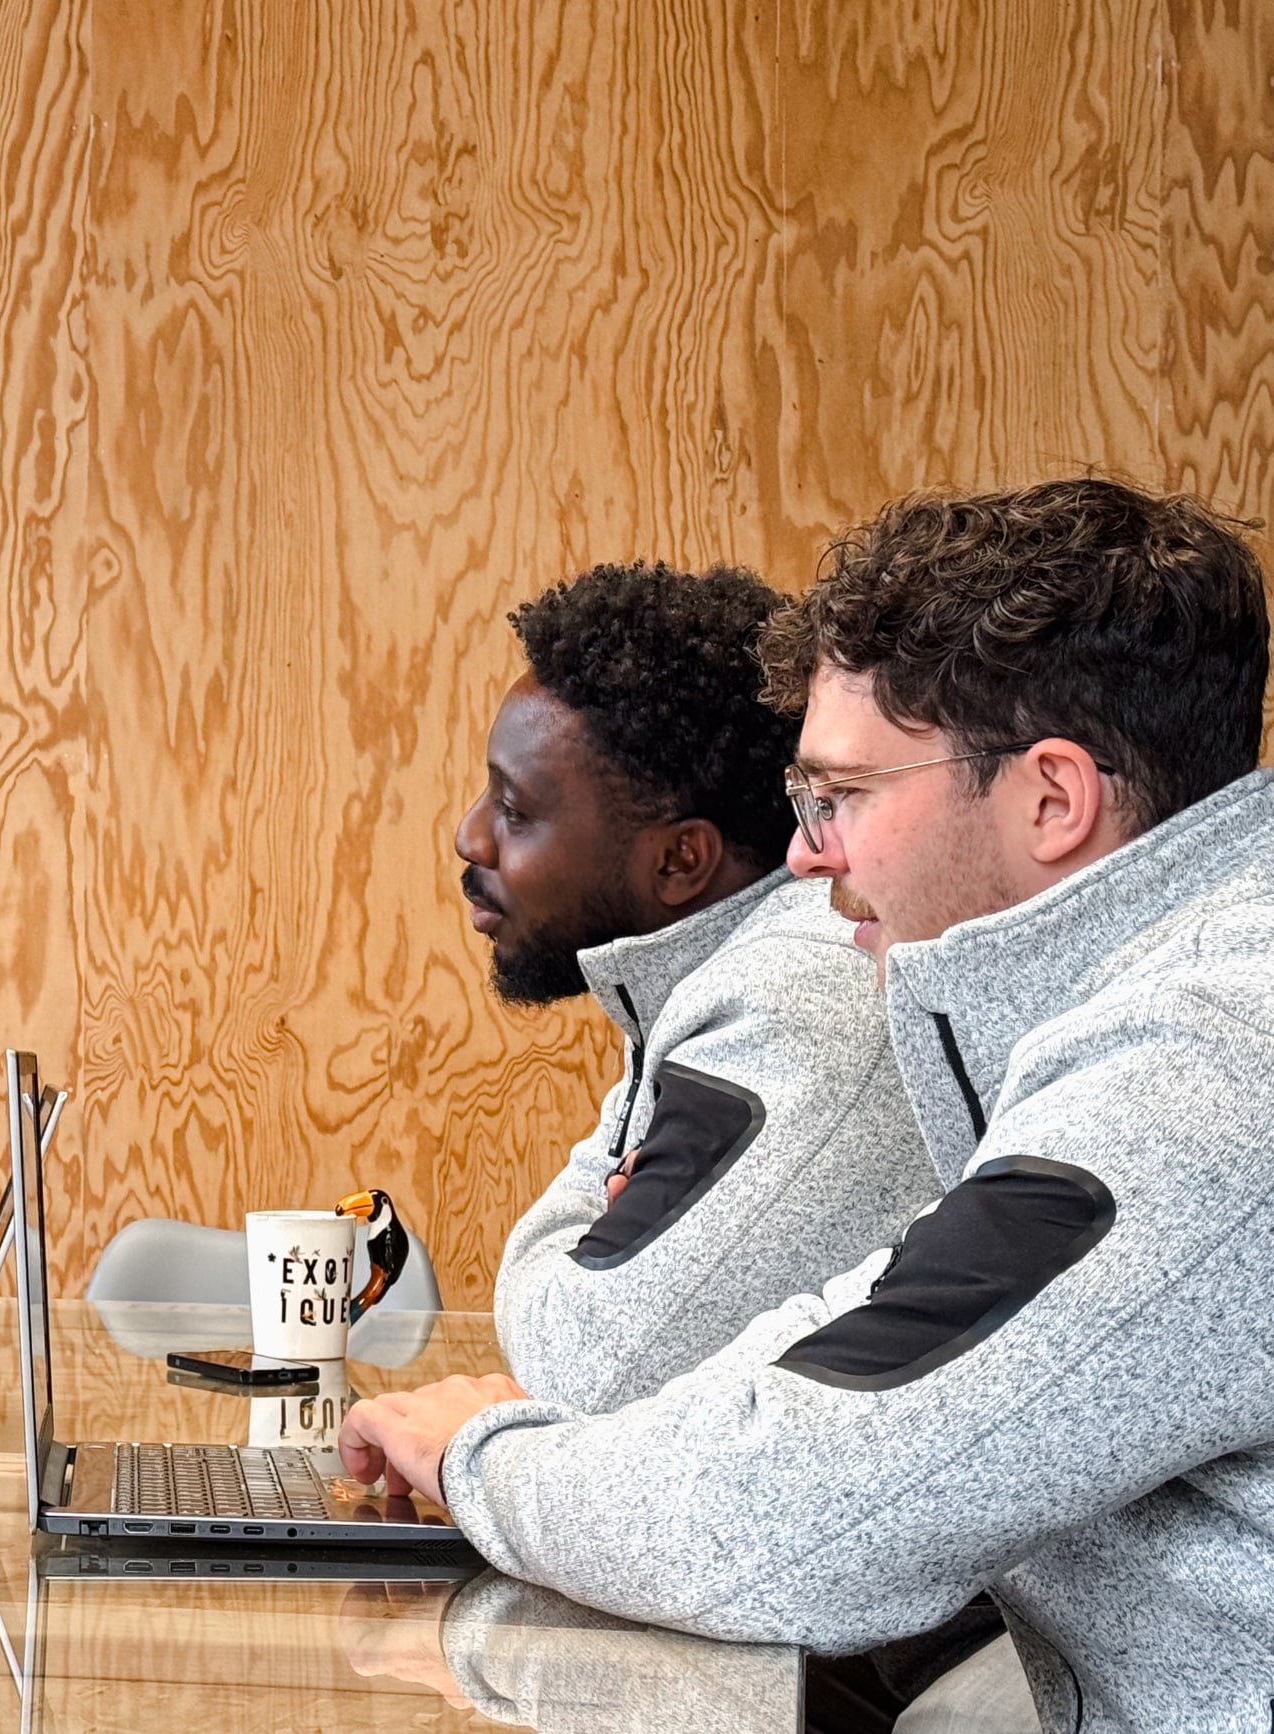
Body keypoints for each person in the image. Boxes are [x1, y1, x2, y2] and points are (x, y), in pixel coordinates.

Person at [339, 479, 1274, 1726]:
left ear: (1053, 798)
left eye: (841, 797)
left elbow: (792, 1515)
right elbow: (875, 1321)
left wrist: (478, 1459)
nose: (801, 855)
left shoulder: (1205, 1067)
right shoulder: (1153, 1003)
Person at [462, 563, 935, 1410]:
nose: (470, 838)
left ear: (680, 860)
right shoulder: (706, 975)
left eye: (515, 810)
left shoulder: (796, 993)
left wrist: (578, 1238)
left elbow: (583, 1365)